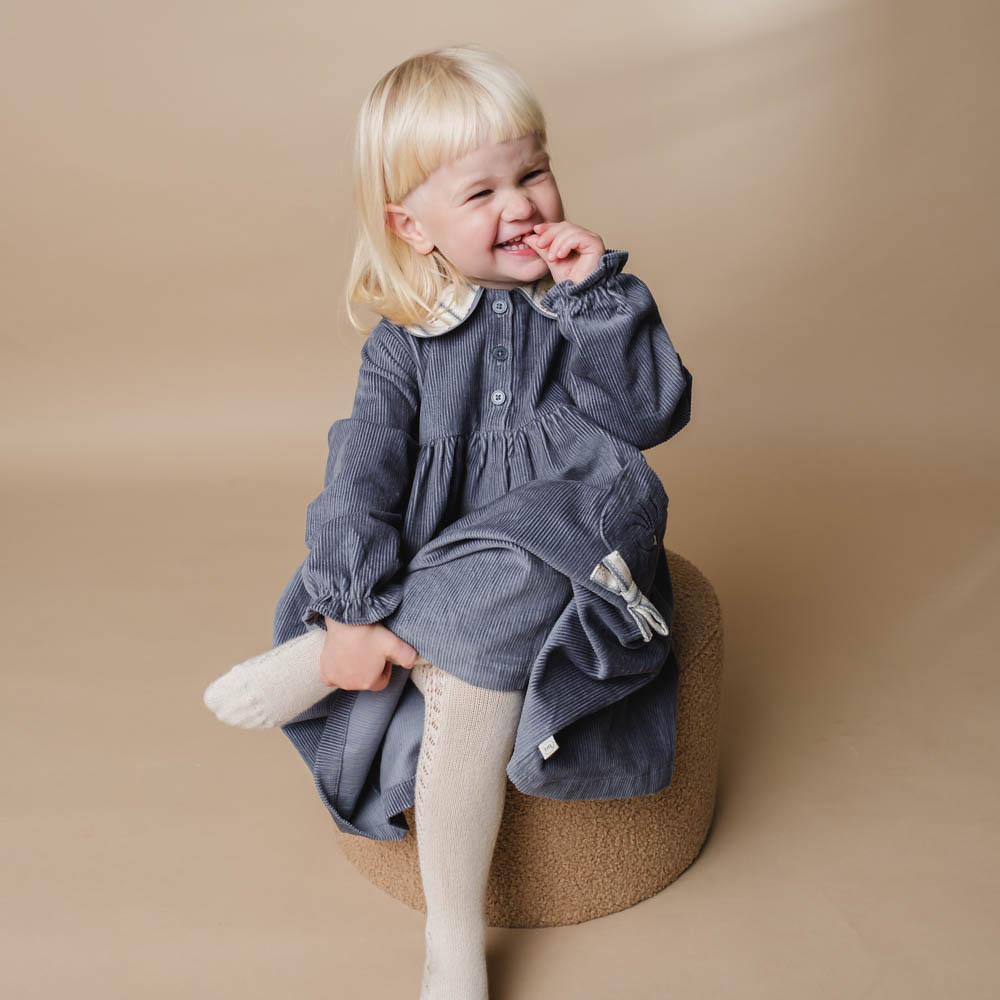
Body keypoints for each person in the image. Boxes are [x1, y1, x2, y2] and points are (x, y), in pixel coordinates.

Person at [203, 43, 693, 1000]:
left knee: (525, 558)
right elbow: (361, 478)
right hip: (451, 562)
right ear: (411, 226)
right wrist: (349, 603)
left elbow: (651, 416)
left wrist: (594, 297)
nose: (523, 205)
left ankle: (334, 664)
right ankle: (455, 935)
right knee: (466, 677)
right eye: (481, 192)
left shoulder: (582, 305)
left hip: (569, 537)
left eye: (534, 173)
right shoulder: (403, 347)